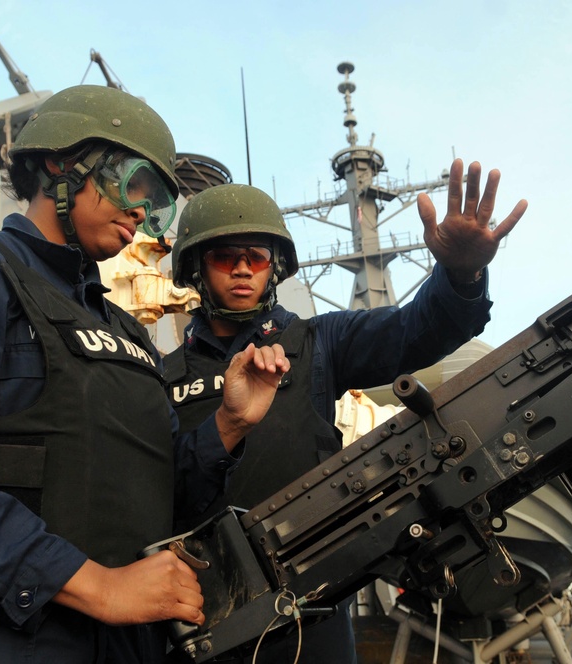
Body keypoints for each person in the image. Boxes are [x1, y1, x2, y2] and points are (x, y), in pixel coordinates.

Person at [0, 85, 289, 664]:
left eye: (158, 202)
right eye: (133, 183)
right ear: (59, 163)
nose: (141, 212)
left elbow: (152, 495)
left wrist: (229, 424)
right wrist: (99, 587)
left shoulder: (127, 333)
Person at [163, 158, 527, 663]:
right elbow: (159, 494)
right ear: (196, 268)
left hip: (311, 616)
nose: (243, 268)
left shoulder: (318, 344)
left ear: (275, 269)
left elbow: (415, 329)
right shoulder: (160, 376)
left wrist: (461, 275)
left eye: (257, 257)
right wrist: (227, 426)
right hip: (203, 622)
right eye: (225, 257)